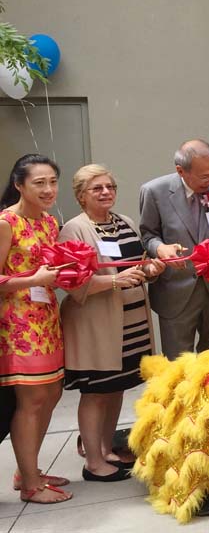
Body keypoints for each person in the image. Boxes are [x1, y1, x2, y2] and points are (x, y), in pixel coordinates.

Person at [58, 164, 166, 482]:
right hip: (96, 325)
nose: (106, 193)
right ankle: (93, 462)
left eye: (110, 187)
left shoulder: (125, 222)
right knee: (96, 392)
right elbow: (72, 283)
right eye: (97, 189)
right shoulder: (74, 230)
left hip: (129, 325)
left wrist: (150, 269)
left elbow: (134, 265)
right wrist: (115, 282)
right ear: (81, 195)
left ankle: (106, 450)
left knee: (116, 388)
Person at [0, 154, 72, 504]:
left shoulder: (48, 222)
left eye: (52, 182)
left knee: (52, 394)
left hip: (46, 318)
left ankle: (26, 470)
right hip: (17, 323)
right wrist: (34, 279)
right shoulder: (6, 223)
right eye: (39, 183)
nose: (48, 189)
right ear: (19, 185)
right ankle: (30, 484)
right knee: (31, 401)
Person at [139, 139, 209, 360]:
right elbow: (147, 235)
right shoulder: (154, 191)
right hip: (176, 289)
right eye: (204, 176)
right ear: (180, 171)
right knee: (177, 364)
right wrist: (160, 248)